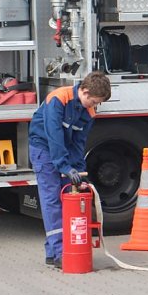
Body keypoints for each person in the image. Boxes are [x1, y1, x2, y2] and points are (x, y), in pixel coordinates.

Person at [28, 71, 111, 268]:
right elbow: (54, 134)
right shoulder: (58, 99)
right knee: (52, 201)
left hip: (61, 152)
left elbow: (78, 144)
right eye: (93, 101)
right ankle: (59, 253)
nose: (94, 106)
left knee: (69, 200)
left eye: (97, 103)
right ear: (84, 90)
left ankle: (54, 252)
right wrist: (64, 166)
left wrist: (78, 172)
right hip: (43, 148)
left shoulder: (88, 112)